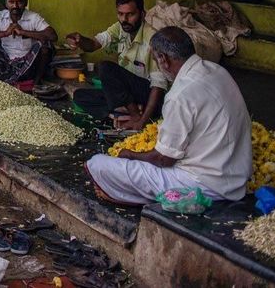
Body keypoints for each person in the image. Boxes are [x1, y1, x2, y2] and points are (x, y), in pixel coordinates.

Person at [86, 27, 252, 205]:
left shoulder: (180, 94)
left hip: (204, 186)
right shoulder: (218, 71)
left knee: (97, 164)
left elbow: (164, 159)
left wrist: (131, 154)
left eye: (156, 59)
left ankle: (140, 197)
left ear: (163, 59)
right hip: (237, 182)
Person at [68, 0, 167, 126]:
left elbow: (159, 87)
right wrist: (80, 40)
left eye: (130, 14)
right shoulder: (120, 29)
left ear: (142, 14)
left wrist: (141, 122)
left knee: (105, 68)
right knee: (80, 96)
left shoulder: (153, 39)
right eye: (120, 14)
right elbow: (94, 44)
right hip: (127, 94)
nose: (124, 20)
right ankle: (126, 110)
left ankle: (135, 114)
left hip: (149, 94)